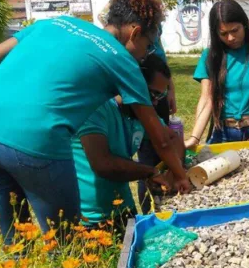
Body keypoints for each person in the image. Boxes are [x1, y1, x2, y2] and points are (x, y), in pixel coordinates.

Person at [0, 0, 190, 243]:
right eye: (148, 45)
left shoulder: (55, 23)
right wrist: (180, 176)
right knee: (65, 244)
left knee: (13, 245)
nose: (146, 54)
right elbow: (159, 136)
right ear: (135, 33)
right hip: (35, 137)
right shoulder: (123, 60)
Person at [97, 0, 177, 213]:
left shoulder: (151, 2)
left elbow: (159, 51)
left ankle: (165, 204)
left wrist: (170, 88)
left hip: (155, 89)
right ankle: (148, 213)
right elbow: (116, 57)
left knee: (157, 153)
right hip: (136, 95)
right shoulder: (125, 7)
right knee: (145, 158)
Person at [72, 54, 184, 229]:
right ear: (132, 84)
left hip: (124, 209)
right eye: (152, 94)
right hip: (90, 219)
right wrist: (150, 172)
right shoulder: (97, 109)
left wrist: (172, 172)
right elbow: (103, 164)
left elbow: (172, 140)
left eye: (160, 96)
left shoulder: (140, 115)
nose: (154, 102)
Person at [185, 0, 249, 146]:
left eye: (235, 30)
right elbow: (207, 99)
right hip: (224, 132)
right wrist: (195, 137)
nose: (230, 38)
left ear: (244, 24)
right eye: (223, 33)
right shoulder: (210, 58)